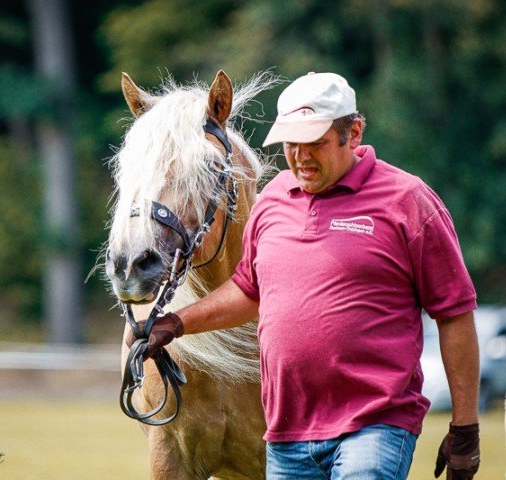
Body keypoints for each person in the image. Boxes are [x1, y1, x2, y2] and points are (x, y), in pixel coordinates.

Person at [129, 72, 481, 479]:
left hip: (374, 425)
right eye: (291, 145)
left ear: (354, 132)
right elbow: (250, 289)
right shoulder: (273, 198)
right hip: (287, 434)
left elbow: (455, 314)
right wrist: (175, 323)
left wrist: (465, 427)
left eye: (315, 143)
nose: (300, 157)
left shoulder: (408, 201)